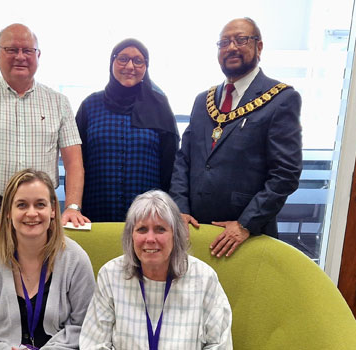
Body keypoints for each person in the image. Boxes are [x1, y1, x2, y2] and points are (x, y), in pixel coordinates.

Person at [169, 17, 302, 258]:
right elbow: (184, 159)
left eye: (241, 40)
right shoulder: (203, 100)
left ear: (258, 47)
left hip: (246, 237)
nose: (231, 47)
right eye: (224, 43)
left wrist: (245, 224)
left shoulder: (281, 98)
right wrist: (180, 209)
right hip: (194, 231)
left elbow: (286, 174)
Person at [0, 23, 88, 242]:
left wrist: (72, 207)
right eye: (12, 50)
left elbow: (74, 163)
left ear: (38, 55)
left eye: (27, 50)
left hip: (42, 210)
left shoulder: (59, 102)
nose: (20, 57)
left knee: (43, 270)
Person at [79, 190, 232, 349]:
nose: (150, 239)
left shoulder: (204, 279)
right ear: (130, 236)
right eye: (142, 229)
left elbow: (219, 344)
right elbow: (94, 343)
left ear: (175, 235)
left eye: (160, 229)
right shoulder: (110, 275)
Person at [0, 169, 95, 350]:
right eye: (22, 205)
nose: (32, 213)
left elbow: (85, 324)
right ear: (8, 211)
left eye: (40, 204)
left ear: (53, 210)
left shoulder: (75, 259)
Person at [76, 38, 179, 222]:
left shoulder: (159, 106)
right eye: (123, 59)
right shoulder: (90, 106)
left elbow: (170, 165)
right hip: (96, 210)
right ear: (112, 62)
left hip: (147, 216)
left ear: (146, 67)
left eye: (138, 61)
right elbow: (76, 162)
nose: (130, 66)